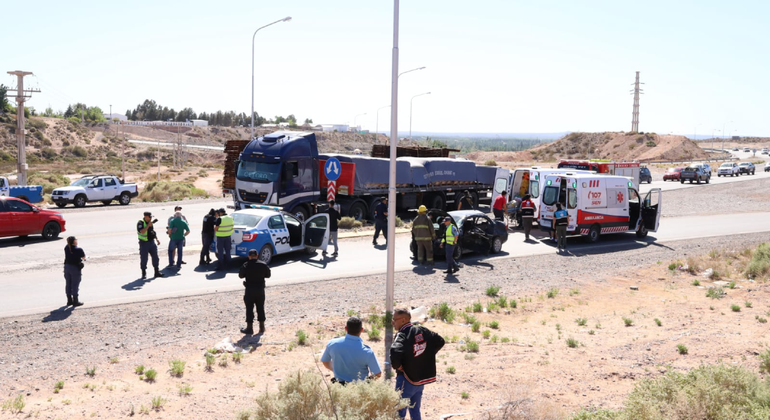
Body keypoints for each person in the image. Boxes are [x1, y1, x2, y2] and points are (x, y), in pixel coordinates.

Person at [390, 308, 445, 420]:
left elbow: (395, 351)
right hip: (420, 381)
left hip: (406, 380)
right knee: (415, 411)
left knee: (399, 414)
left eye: (394, 319)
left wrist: (398, 366)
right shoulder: (422, 330)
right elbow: (440, 341)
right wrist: (425, 357)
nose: (392, 322)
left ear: (403, 320)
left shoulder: (402, 334)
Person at [321, 316, 382, 384]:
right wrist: (365, 383)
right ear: (361, 330)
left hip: (338, 387)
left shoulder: (333, 344)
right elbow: (377, 373)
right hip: (358, 389)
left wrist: (336, 370)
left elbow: (325, 361)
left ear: (346, 329)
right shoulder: (367, 351)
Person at [239, 249, 272, 334]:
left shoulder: (246, 265)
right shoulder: (263, 264)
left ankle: (249, 328)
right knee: (260, 307)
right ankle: (262, 327)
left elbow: (240, 275)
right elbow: (268, 275)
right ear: (257, 256)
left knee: (249, 308)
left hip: (249, 290)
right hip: (260, 290)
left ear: (249, 256)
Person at [137, 211, 164, 280]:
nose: (151, 218)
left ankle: (156, 272)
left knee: (155, 257)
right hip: (144, 243)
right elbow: (142, 231)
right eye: (150, 217)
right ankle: (143, 273)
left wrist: (157, 239)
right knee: (144, 259)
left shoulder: (150, 223)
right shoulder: (140, 223)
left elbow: (152, 232)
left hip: (151, 242)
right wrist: (148, 225)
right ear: (146, 217)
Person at [63, 236, 86, 307]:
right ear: (74, 241)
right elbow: (83, 257)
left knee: (68, 283)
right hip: (75, 268)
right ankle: (75, 300)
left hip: (67, 267)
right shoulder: (78, 249)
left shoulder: (67, 248)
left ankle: (69, 300)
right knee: (75, 284)